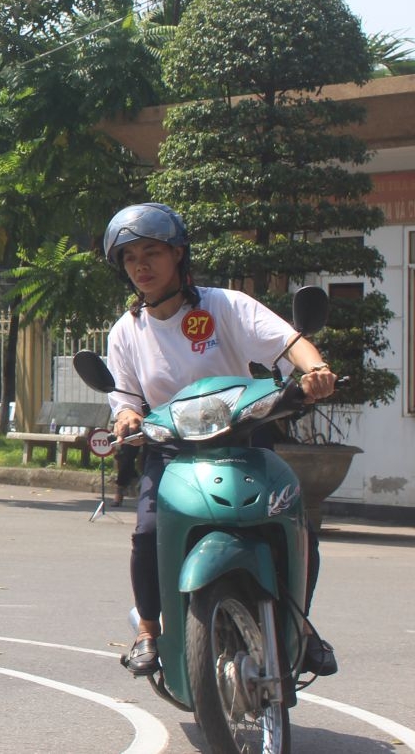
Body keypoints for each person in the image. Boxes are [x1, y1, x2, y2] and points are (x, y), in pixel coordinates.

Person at [101, 202, 338, 679]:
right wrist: (126, 416)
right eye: (130, 258)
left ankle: (299, 624)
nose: (141, 266)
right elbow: (124, 396)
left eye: (152, 253)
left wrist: (316, 370)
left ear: (178, 254)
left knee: (293, 527)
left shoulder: (225, 305)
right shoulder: (127, 330)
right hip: (172, 448)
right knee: (147, 532)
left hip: (243, 437)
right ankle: (148, 629)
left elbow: (287, 342)